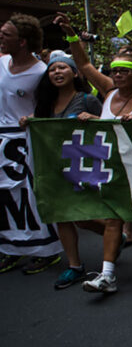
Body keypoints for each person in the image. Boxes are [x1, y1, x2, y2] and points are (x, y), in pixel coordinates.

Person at [55, 14, 132, 294]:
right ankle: (107, 275)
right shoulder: (108, 92)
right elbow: (84, 65)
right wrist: (72, 35)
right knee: (112, 216)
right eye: (114, 71)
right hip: (111, 166)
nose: (117, 75)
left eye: (123, 72)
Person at [20, 52, 105, 287]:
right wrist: (28, 120)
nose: (57, 72)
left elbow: (109, 126)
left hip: (82, 167)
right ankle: (74, 266)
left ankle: (114, 235)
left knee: (83, 218)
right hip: (54, 167)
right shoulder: (45, 104)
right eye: (52, 69)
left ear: (74, 73)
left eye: (62, 68)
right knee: (62, 216)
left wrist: (94, 118)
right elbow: (41, 124)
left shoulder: (87, 99)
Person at [0, 13, 62, 274]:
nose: (1, 38)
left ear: (23, 41)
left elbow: (48, 109)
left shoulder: (41, 74)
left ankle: (47, 249)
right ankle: (11, 248)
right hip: (2, 142)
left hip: (27, 142)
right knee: (5, 196)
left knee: (32, 195)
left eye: (6, 34)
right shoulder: (1, 63)